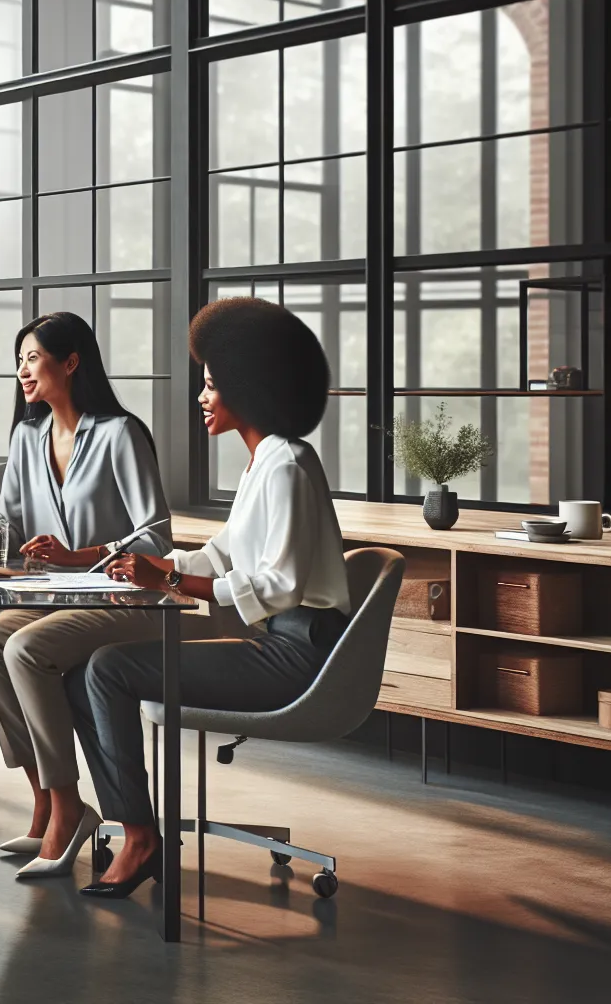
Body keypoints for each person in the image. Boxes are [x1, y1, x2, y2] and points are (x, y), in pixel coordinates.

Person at [75, 297, 351, 898]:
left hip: (297, 654)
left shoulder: (286, 467)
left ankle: (140, 835)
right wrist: (157, 565)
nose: (200, 398)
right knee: (90, 670)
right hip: (276, 641)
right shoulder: (264, 463)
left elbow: (277, 587)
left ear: (245, 388)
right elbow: (221, 555)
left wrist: (168, 582)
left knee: (106, 670)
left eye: (209, 386)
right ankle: (135, 823)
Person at [0, 312, 172, 879]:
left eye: (32, 358)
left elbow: (155, 536)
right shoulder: (26, 437)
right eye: (20, 360)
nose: (22, 370)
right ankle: (52, 798)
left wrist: (81, 556)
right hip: (53, 595)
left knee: (23, 650)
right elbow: (9, 517)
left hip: (119, 600)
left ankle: (64, 806)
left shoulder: (119, 434)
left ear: (71, 362)